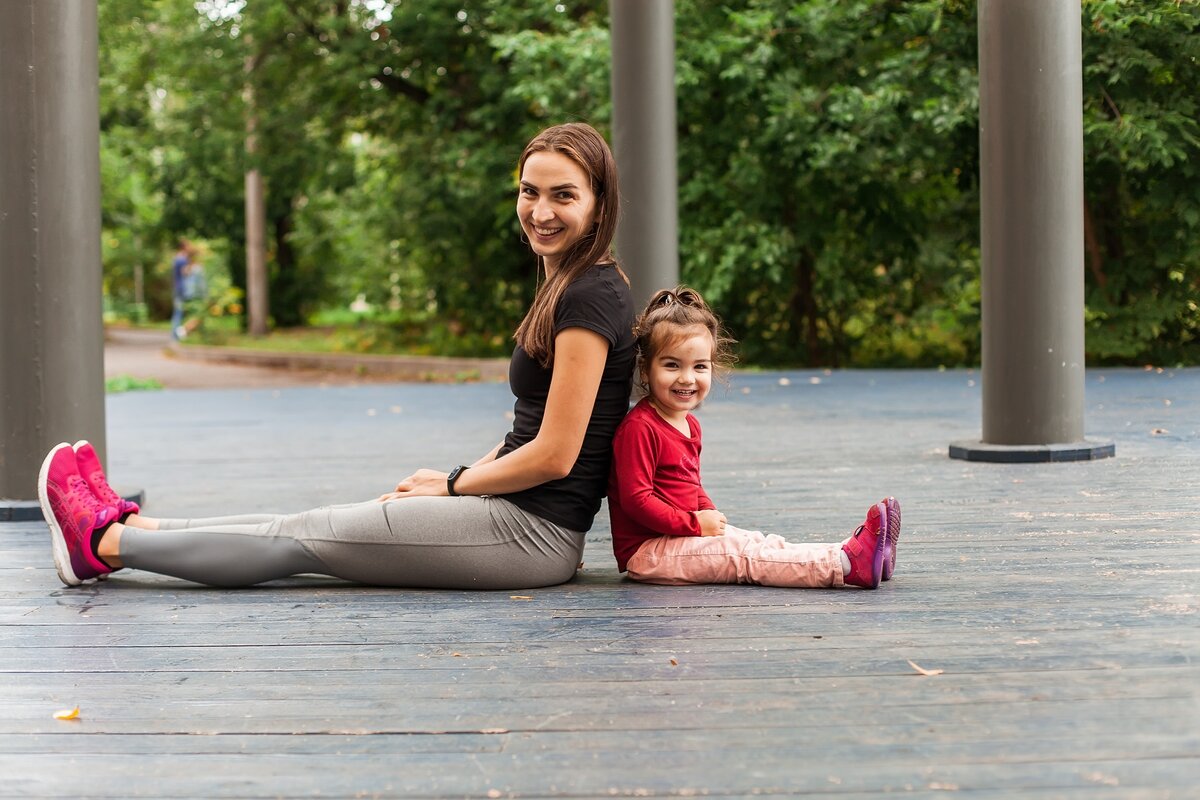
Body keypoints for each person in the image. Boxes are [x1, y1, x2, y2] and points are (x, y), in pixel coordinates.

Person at [39, 122, 636, 590]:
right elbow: (527, 429)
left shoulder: (590, 296)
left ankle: (102, 548)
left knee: (302, 540)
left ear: (598, 202)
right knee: (305, 525)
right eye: (530, 192)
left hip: (531, 535)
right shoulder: (571, 284)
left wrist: (455, 486)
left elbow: (556, 456)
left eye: (563, 196)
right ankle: (132, 526)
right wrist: (457, 478)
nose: (540, 211)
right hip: (512, 516)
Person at [607, 287, 901, 590]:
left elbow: (689, 485)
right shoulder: (640, 428)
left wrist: (708, 511)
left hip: (679, 537)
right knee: (743, 555)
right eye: (672, 365)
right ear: (645, 368)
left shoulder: (689, 424)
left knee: (756, 542)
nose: (687, 378)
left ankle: (854, 554)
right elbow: (637, 501)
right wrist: (696, 524)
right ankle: (844, 566)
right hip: (649, 552)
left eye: (699, 366)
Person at [170, 238, 194, 341]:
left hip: (177, 288)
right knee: (181, 312)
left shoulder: (176, 258)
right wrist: (191, 268)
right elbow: (185, 273)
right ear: (184, 247)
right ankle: (177, 335)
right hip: (183, 289)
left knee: (178, 311)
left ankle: (176, 334)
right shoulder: (183, 259)